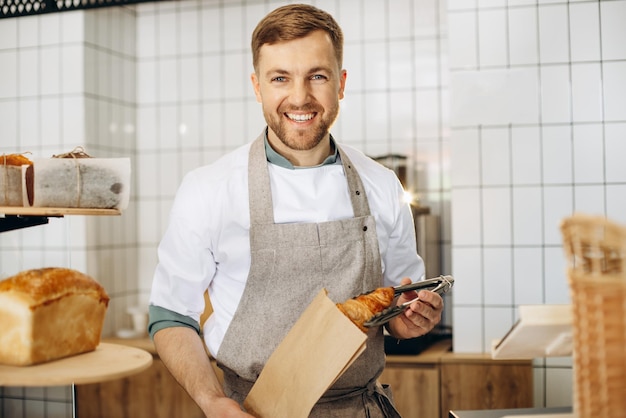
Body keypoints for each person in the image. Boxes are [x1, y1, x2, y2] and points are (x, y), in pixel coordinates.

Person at [148, 4, 444, 417]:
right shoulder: (208, 188)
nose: (300, 97)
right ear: (257, 86)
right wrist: (211, 399)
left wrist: (410, 320)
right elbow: (172, 315)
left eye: (317, 76)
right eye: (280, 78)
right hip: (249, 410)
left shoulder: (381, 184)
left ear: (341, 83)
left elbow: (396, 305)